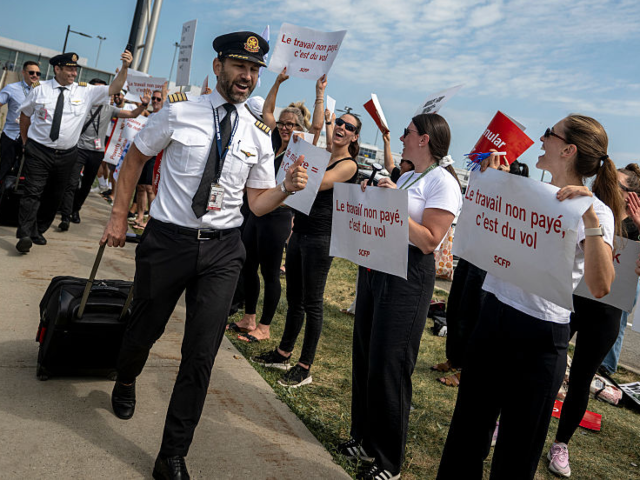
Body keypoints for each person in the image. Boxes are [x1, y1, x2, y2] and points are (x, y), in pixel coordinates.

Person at [100, 31, 308, 480]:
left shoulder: (258, 134)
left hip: (222, 250)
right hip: (168, 242)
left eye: (254, 70)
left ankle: (172, 453)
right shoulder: (178, 114)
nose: (246, 77)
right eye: (239, 66)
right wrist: (119, 216)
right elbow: (134, 160)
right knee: (144, 330)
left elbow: (255, 204)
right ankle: (126, 375)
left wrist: (285, 189)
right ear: (218, 68)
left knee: (200, 355)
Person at [437, 115, 622, 480]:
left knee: (518, 453)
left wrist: (588, 218)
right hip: (492, 318)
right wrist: (489, 181)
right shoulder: (523, 190)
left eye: (549, 135)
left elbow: (601, 286)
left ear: (568, 149)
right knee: (466, 437)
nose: (540, 139)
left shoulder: (595, 211)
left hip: (542, 337)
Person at [336, 113, 462, 480]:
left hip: (408, 275)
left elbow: (429, 240)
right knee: (366, 356)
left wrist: (391, 207)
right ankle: (363, 438)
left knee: (391, 365)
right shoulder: (408, 176)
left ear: (424, 140)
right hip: (378, 266)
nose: (402, 138)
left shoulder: (443, 183)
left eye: (407, 133)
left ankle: (388, 460)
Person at [252, 111, 360, 388]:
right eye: (339, 123)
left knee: (312, 303)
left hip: (321, 238)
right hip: (300, 231)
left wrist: (293, 173)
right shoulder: (324, 155)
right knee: (294, 299)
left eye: (349, 127)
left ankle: (304, 366)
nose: (341, 128)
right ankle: (283, 353)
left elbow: (317, 183)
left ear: (354, 136)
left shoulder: (348, 166)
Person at [546, 166, 640, 477]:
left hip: (606, 312)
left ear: (631, 197)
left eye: (616, 184)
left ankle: (561, 444)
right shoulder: (589, 208)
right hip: (569, 299)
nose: (605, 185)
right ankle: (509, 420)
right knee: (543, 364)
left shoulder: (637, 230)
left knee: (582, 379)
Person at [229, 68, 323, 342]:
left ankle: (266, 327)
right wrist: (278, 82)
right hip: (257, 212)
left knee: (270, 272)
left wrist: (319, 94)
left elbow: (317, 127)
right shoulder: (272, 143)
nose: (285, 127)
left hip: (278, 217)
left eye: (291, 124)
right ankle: (249, 318)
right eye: (283, 123)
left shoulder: (301, 147)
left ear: (299, 129)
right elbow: (268, 111)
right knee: (248, 265)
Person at [15, 50, 132, 253]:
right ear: (57, 68)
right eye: (69, 69)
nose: (73, 73)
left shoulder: (85, 92)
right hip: (39, 150)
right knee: (32, 192)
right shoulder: (39, 89)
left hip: (68, 154)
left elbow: (115, 87)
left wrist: (125, 67)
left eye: (75, 70)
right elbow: (25, 116)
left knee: (55, 194)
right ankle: (24, 233)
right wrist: (26, 142)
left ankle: (38, 229)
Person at [58, 81, 150, 231]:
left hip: (96, 151)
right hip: (79, 148)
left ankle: (75, 209)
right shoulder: (82, 105)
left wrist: (143, 105)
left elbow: (132, 114)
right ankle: (66, 216)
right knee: (72, 182)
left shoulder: (109, 109)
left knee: (87, 184)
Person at [600, 164, 640, 374]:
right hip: (592, 286)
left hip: (622, 287)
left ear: (630, 196)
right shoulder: (600, 213)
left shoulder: (635, 225)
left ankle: (607, 366)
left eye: (615, 184)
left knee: (617, 321)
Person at [0, 61, 41, 181]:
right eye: (31, 72)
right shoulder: (12, 88)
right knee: (4, 168)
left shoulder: (42, 91)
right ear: (23, 73)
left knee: (24, 172)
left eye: (38, 73)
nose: (35, 75)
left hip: (31, 139)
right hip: (11, 136)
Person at [132, 90, 164, 230]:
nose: (155, 101)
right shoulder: (150, 116)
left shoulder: (164, 116)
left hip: (155, 155)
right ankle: (140, 216)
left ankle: (150, 219)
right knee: (140, 188)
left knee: (150, 189)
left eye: (158, 99)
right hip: (144, 154)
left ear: (163, 100)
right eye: (154, 99)